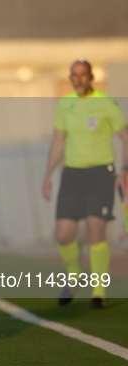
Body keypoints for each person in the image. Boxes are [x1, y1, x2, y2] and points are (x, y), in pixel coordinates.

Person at [42, 59, 128, 309]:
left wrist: (124, 170)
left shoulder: (106, 103)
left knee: (95, 230)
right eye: (74, 75)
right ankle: (73, 275)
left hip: (101, 174)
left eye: (83, 75)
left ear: (91, 77)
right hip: (72, 175)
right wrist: (48, 174)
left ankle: (98, 292)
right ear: (70, 78)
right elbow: (58, 140)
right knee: (64, 234)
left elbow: (125, 136)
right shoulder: (65, 104)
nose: (78, 79)